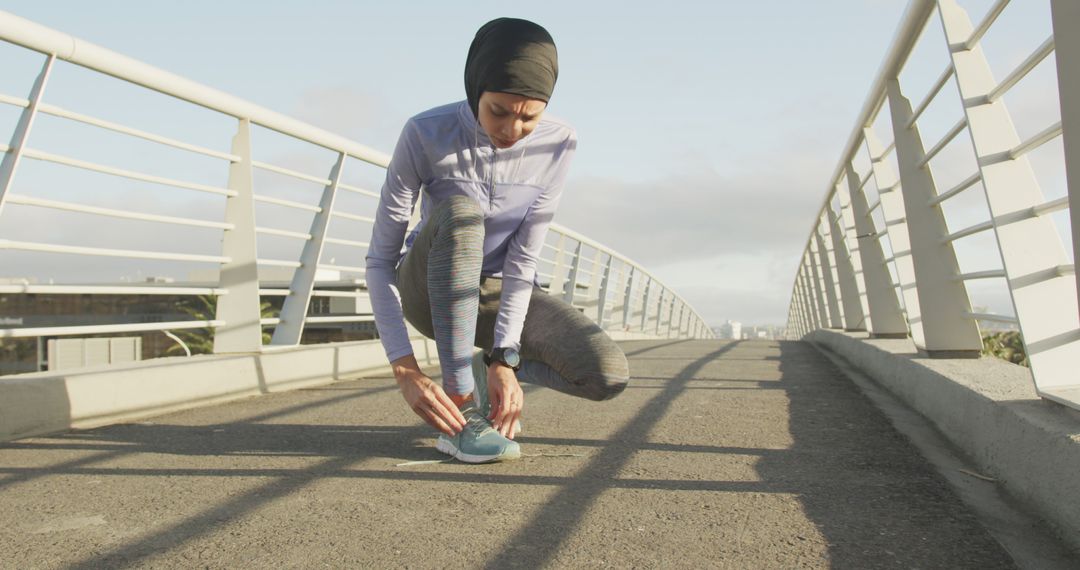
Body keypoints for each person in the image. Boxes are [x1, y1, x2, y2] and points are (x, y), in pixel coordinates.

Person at [365, 17, 629, 464]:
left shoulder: (559, 143)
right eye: (499, 112)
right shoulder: (425, 133)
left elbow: (524, 261)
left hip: (495, 290)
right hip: (428, 287)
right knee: (463, 214)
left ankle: (482, 366)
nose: (512, 130)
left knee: (605, 374)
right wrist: (405, 368)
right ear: (475, 90)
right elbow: (379, 260)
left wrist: (505, 360)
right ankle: (462, 409)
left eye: (530, 116)